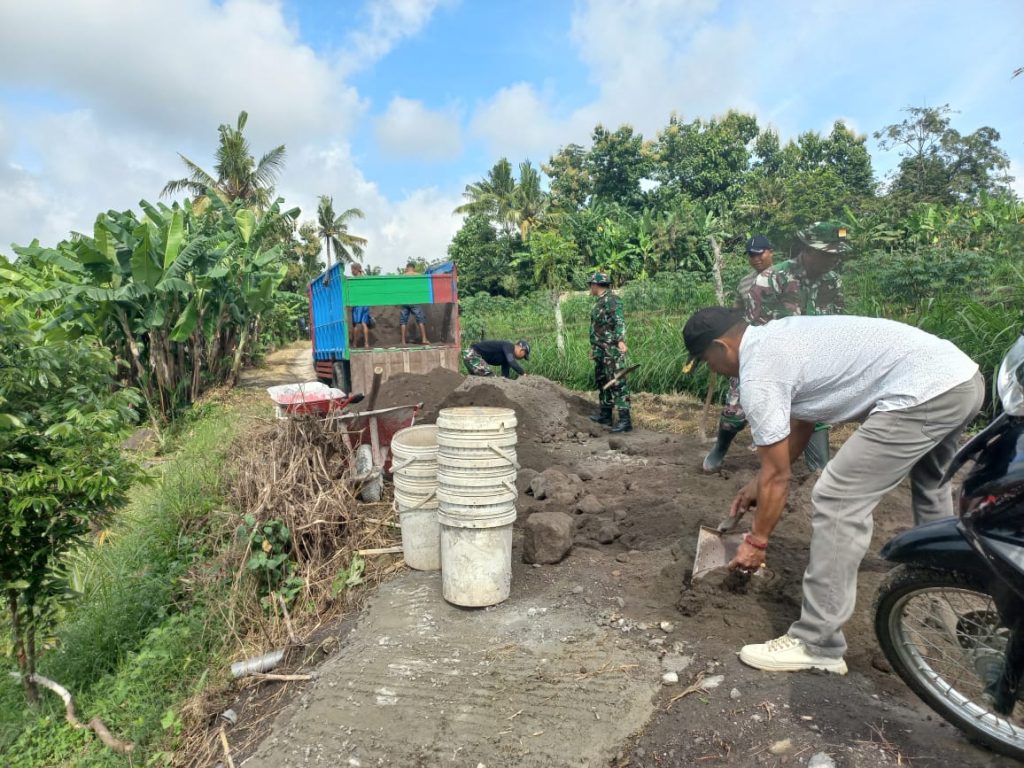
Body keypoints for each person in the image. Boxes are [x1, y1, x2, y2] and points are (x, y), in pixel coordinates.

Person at [682, 306, 983, 675]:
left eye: (706, 361)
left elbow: (780, 477)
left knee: (838, 497)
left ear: (721, 346)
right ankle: (942, 584)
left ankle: (817, 642)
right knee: (930, 482)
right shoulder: (778, 337)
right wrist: (756, 482)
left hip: (921, 393)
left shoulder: (758, 373)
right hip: (961, 380)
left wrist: (756, 540)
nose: (711, 369)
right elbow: (801, 423)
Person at [703, 235, 778, 471]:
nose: (756, 259)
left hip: (779, 351)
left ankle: (813, 460)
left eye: (760, 253)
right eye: (751, 255)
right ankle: (720, 450)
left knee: (790, 404)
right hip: (747, 351)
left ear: (771, 252)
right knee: (735, 402)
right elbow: (736, 313)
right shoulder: (745, 283)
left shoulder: (786, 278)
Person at [588, 272, 631, 433]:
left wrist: (620, 340)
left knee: (617, 383)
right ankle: (605, 415)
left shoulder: (612, 300)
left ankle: (625, 421)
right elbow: (597, 328)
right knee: (602, 381)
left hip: (611, 349)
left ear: (595, 285)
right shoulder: (599, 302)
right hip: (600, 350)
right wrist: (594, 348)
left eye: (591, 284)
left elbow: (618, 320)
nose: (590, 287)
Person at [462, 340, 530, 378]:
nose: (522, 358)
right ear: (522, 349)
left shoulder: (506, 358)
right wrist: (523, 373)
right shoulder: (509, 346)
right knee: (493, 381)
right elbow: (512, 362)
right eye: (524, 355)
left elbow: (505, 376)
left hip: (472, 357)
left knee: (477, 382)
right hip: (472, 354)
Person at [400, 263, 429, 345]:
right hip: (414, 300)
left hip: (405, 300)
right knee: (420, 319)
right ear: (413, 268)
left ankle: (403, 341)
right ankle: (424, 339)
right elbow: (423, 284)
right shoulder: (417, 275)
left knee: (403, 321)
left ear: (407, 268)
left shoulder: (402, 276)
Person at [349, 263, 372, 349]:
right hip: (365, 303)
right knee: (364, 323)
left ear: (355, 270)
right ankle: (366, 344)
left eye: (352, 270)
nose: (351, 272)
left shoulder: (354, 280)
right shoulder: (364, 278)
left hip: (358, 304)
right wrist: (362, 272)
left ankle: (354, 344)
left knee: (355, 325)